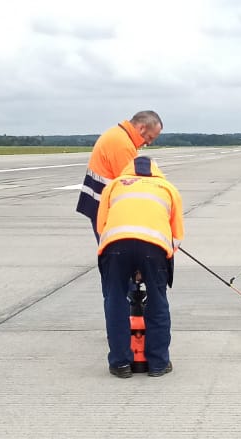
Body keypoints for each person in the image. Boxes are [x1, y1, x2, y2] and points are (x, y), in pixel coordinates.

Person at [95, 156, 183, 378]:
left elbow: (100, 226)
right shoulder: (168, 188)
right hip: (154, 248)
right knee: (158, 301)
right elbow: (177, 238)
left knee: (115, 302)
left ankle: (120, 363)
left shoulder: (113, 186)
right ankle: (158, 363)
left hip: (115, 245)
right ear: (156, 171)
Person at [77, 111, 163, 242]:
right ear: (142, 128)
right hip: (106, 210)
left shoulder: (118, 134)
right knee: (113, 254)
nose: (149, 143)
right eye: (150, 137)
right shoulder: (122, 144)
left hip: (99, 204)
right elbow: (130, 185)